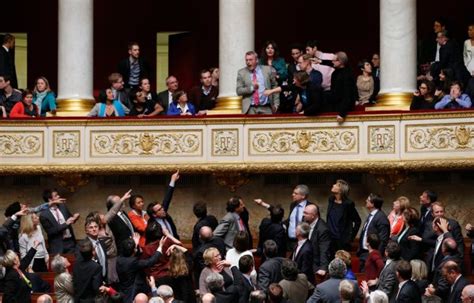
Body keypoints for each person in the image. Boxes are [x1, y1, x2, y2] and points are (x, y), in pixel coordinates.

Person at [116, 236, 165, 303]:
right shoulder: (133, 262)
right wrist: (160, 247)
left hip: (123, 289)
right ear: (134, 250)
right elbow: (150, 262)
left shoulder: (119, 259)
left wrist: (135, 245)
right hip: (132, 291)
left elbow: (134, 255)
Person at [39, 188, 79, 254]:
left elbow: (70, 218)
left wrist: (75, 217)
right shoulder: (44, 215)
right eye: (56, 195)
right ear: (50, 199)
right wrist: (66, 223)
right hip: (57, 246)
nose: (59, 196)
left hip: (70, 242)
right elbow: (51, 231)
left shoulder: (62, 206)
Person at [357, 193, 390, 271]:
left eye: (368, 200)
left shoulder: (381, 218)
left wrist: (375, 257)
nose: (366, 201)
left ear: (373, 204)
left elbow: (383, 240)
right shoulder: (371, 215)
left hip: (372, 255)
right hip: (364, 253)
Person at [327, 179, 361, 252]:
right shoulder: (331, 200)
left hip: (342, 240)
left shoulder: (348, 204)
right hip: (330, 239)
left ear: (341, 190)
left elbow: (358, 221)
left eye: (336, 185)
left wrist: (350, 238)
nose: (333, 185)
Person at [147, 170, 181, 241]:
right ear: (154, 215)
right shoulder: (152, 227)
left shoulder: (164, 214)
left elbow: (167, 198)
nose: (163, 209)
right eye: (159, 210)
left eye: (161, 207)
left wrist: (172, 180)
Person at [302, 204, 331, 278]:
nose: (303, 215)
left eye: (306, 213)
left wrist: (323, 268)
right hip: (305, 261)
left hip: (314, 264)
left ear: (313, 215)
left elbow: (324, 250)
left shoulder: (323, 229)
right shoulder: (305, 221)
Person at [329, 51, 357, 123]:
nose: (332, 62)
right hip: (335, 107)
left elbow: (348, 94)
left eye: (334, 60)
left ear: (340, 61)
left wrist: (342, 113)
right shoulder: (334, 73)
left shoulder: (348, 74)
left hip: (344, 110)